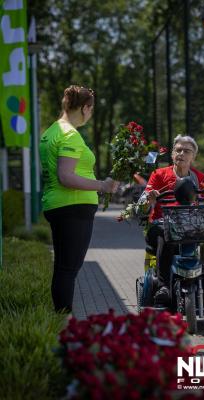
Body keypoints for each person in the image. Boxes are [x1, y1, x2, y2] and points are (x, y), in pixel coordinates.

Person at [39, 85, 119, 313]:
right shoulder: (70, 135)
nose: (91, 113)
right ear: (85, 108)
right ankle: (64, 321)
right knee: (68, 268)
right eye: (91, 108)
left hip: (58, 205)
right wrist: (102, 185)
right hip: (72, 206)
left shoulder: (51, 131)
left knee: (64, 267)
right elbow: (66, 176)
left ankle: (60, 319)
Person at [145, 134, 204, 306]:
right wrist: (150, 199)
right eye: (178, 150)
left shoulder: (202, 179)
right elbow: (144, 201)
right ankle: (163, 287)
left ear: (193, 156)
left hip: (192, 226)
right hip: (162, 225)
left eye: (186, 151)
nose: (181, 153)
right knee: (166, 235)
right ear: (172, 154)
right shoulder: (158, 175)